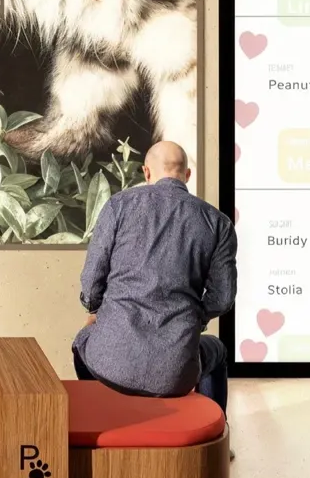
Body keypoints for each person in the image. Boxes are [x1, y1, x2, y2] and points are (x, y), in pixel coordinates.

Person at [72, 141, 235, 412]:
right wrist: (195, 319)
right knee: (217, 350)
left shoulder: (118, 206)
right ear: (187, 175)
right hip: (175, 374)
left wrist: (94, 309)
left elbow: (92, 280)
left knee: (82, 342)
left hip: (109, 364)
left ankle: (104, 416)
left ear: (146, 172)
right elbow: (223, 298)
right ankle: (215, 428)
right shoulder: (218, 223)